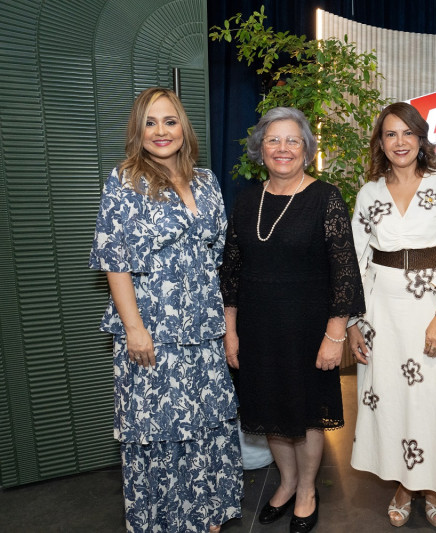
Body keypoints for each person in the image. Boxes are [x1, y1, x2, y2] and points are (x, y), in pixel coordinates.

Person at [89, 87, 242, 533]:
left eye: (169, 121)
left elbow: (220, 257)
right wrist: (134, 329)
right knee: (158, 428)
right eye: (150, 123)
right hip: (153, 329)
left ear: (183, 127)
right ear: (138, 131)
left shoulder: (207, 181)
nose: (161, 131)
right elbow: (114, 260)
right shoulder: (124, 181)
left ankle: (207, 513)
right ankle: (168, 521)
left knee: (206, 421)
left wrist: (228, 323)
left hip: (204, 326)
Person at [219, 107, 365, 533]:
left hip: (308, 331)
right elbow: (230, 272)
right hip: (257, 329)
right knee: (271, 412)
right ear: (260, 149)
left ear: (306, 149)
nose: (282, 149)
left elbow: (344, 273)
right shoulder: (246, 201)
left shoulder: (326, 198)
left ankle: (307, 491)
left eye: (292, 141)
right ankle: (285, 483)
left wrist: (334, 335)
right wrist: (230, 331)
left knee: (307, 415)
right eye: (273, 140)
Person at [347, 102, 436, 528]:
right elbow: (356, 261)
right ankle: (404, 484)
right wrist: (353, 322)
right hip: (382, 315)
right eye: (391, 134)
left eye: (408, 133)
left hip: (433, 309)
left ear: (421, 139)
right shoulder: (368, 193)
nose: (400, 142)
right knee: (392, 400)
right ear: (380, 143)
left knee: (433, 400)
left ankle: (434, 485)